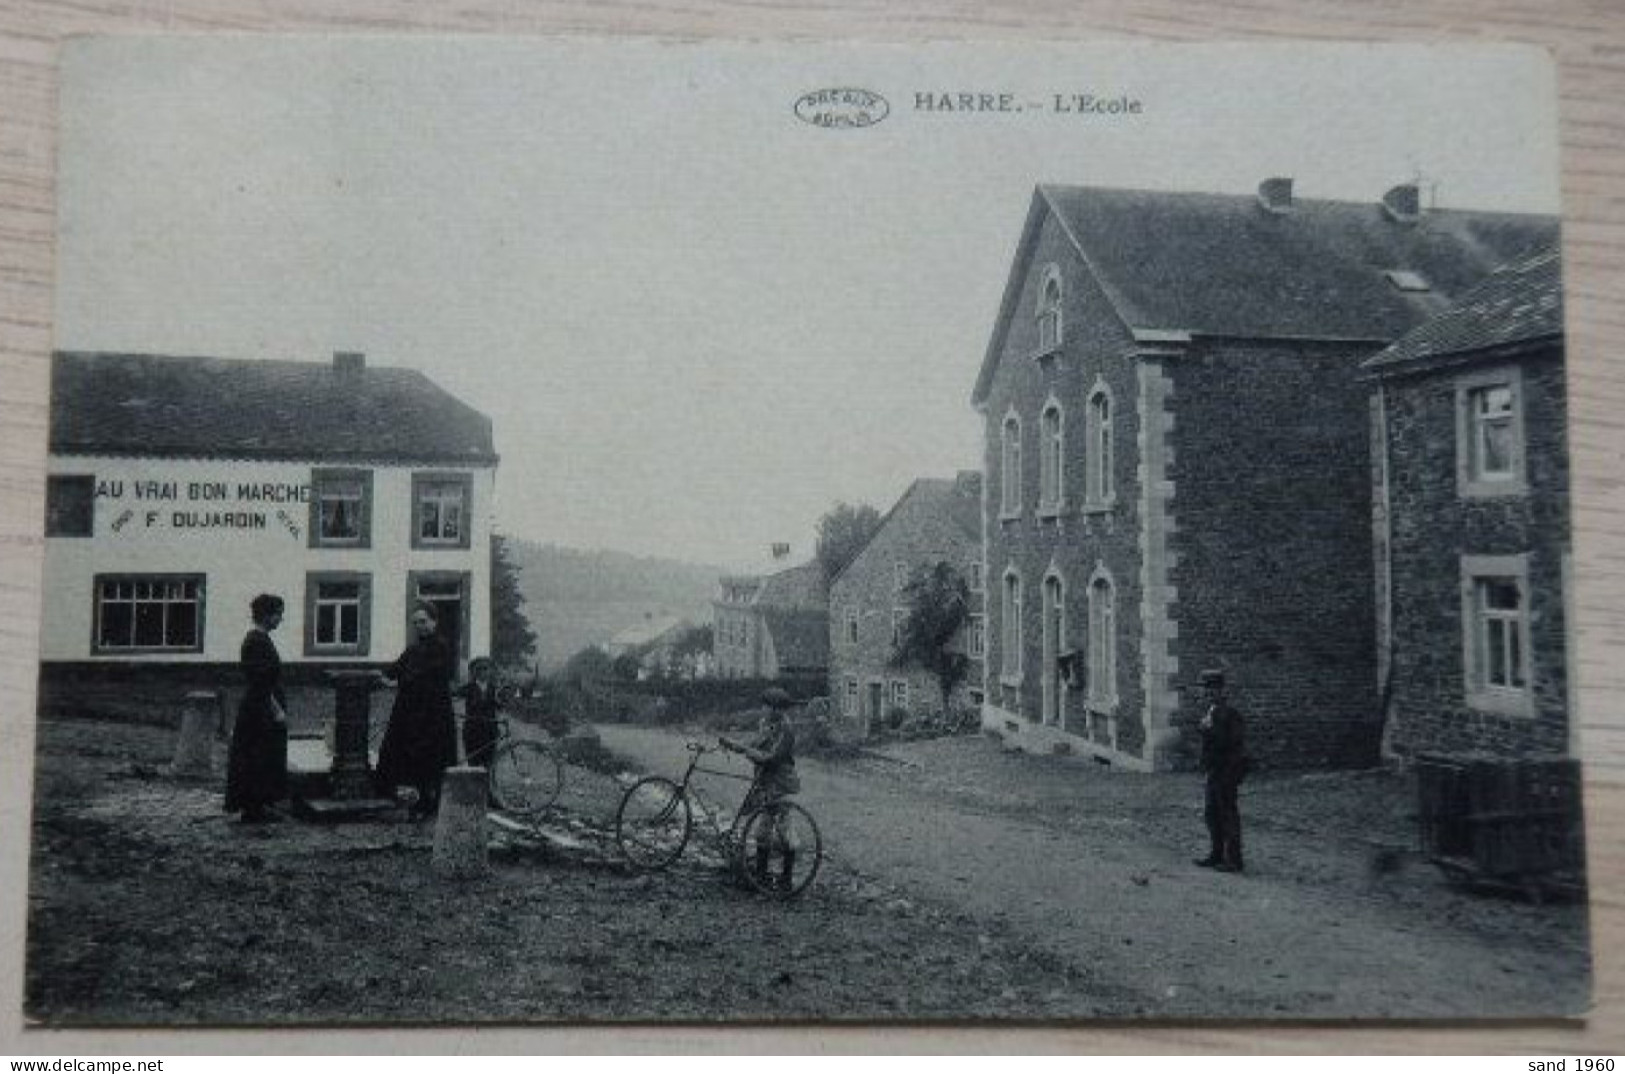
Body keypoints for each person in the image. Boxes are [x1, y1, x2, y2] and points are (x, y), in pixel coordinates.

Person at [375, 602, 459, 819]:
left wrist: (399, 681)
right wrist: (381, 674)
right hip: (413, 712)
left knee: (431, 756)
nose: (420, 626)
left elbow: (428, 674)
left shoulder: (441, 646)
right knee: (409, 754)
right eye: (415, 623)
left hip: (433, 713)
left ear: (434, 621)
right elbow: (398, 666)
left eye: (423, 621)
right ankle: (418, 801)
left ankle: (432, 805)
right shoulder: (414, 648)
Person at [722, 688, 801, 889]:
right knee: (762, 831)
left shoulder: (787, 730)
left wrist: (748, 752)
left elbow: (773, 758)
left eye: (766, 706)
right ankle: (761, 876)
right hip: (765, 782)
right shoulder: (766, 724)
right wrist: (734, 745)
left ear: (776, 709)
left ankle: (787, 880)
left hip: (781, 783)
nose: (762, 709)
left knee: (785, 832)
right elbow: (756, 743)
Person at [224, 593, 289, 824]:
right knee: (258, 756)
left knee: (264, 754)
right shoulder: (256, 642)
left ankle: (260, 804)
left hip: (260, 706)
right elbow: (259, 681)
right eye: (278, 614)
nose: (281, 619)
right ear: (266, 615)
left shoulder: (261, 639)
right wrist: (276, 709)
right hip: (259, 708)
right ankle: (254, 808)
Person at [1194, 668, 1248, 873]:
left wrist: (1208, 729)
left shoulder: (1229, 713)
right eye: (1205, 689)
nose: (1207, 693)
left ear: (1219, 691)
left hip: (1226, 772)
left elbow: (1231, 742)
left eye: (1211, 689)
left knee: (1227, 815)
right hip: (1214, 771)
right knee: (1212, 814)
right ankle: (1216, 854)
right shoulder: (1211, 712)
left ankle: (1234, 860)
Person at [456, 656, 501, 767]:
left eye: (486, 669)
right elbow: (452, 694)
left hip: (489, 733)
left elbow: (500, 707)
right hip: (473, 733)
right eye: (480, 669)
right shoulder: (468, 688)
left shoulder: (494, 689)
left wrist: (503, 700)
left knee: (488, 766)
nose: (483, 672)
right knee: (474, 767)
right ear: (475, 672)